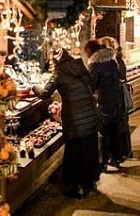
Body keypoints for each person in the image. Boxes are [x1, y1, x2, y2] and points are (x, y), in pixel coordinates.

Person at [33, 47, 101, 198]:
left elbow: (44, 93)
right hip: (90, 116)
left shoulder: (59, 73)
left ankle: (78, 187)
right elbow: (92, 85)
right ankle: (90, 182)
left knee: (75, 152)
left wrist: (34, 87)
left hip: (75, 119)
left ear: (56, 61)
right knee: (90, 149)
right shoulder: (81, 67)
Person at [84, 38, 126, 174]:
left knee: (104, 132)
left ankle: (102, 162)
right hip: (116, 99)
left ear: (90, 51)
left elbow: (91, 84)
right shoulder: (111, 60)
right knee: (114, 129)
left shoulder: (95, 65)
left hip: (105, 101)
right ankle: (117, 158)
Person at [101, 36, 132, 161]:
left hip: (116, 97)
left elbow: (117, 77)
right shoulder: (116, 59)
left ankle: (122, 152)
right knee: (120, 124)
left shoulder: (114, 61)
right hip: (116, 97)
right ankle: (123, 151)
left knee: (118, 125)